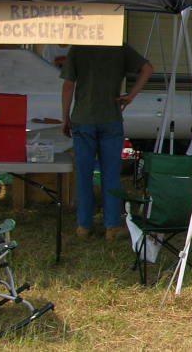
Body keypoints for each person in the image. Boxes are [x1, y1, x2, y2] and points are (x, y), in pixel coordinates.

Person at [61, 44, 153, 240]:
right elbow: (147, 68)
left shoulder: (78, 48)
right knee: (111, 175)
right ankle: (111, 226)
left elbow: (68, 85)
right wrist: (131, 95)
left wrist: (65, 117)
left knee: (83, 175)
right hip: (111, 117)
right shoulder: (119, 47)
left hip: (82, 118)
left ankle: (83, 226)